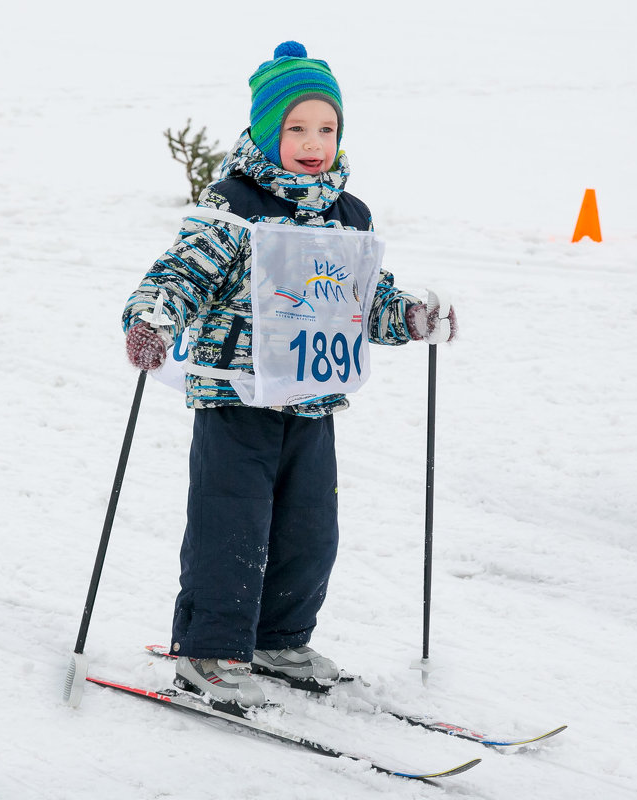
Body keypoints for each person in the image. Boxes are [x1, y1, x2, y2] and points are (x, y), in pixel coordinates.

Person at [121, 41, 458, 708]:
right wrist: (154, 321)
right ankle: (210, 652)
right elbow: (180, 275)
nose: (313, 142)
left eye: (326, 128)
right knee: (232, 526)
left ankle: (278, 639)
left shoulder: (347, 216)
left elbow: (367, 300)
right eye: (296, 128)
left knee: (309, 530)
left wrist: (413, 316)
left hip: (309, 399)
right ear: (268, 131)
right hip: (236, 398)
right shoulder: (235, 206)